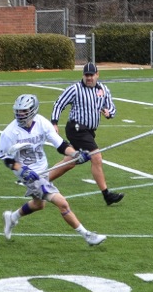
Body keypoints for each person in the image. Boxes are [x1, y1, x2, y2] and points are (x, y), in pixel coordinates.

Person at [0, 94, 106, 246]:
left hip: (43, 169)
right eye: (19, 111)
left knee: (38, 204)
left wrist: (76, 154)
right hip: (28, 174)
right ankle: (87, 235)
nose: (20, 114)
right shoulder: (9, 132)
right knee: (62, 203)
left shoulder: (42, 123)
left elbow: (61, 145)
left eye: (24, 111)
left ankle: (12, 217)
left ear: (33, 110)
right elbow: (7, 159)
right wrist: (22, 171)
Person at [49, 62, 124, 206]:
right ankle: (107, 195)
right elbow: (59, 103)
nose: (89, 78)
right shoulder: (75, 89)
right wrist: (54, 122)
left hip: (89, 131)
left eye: (91, 75)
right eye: (86, 75)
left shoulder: (103, 89)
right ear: (83, 75)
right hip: (76, 128)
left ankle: (42, 181)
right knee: (96, 156)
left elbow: (111, 107)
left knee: (70, 162)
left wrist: (109, 113)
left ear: (97, 75)